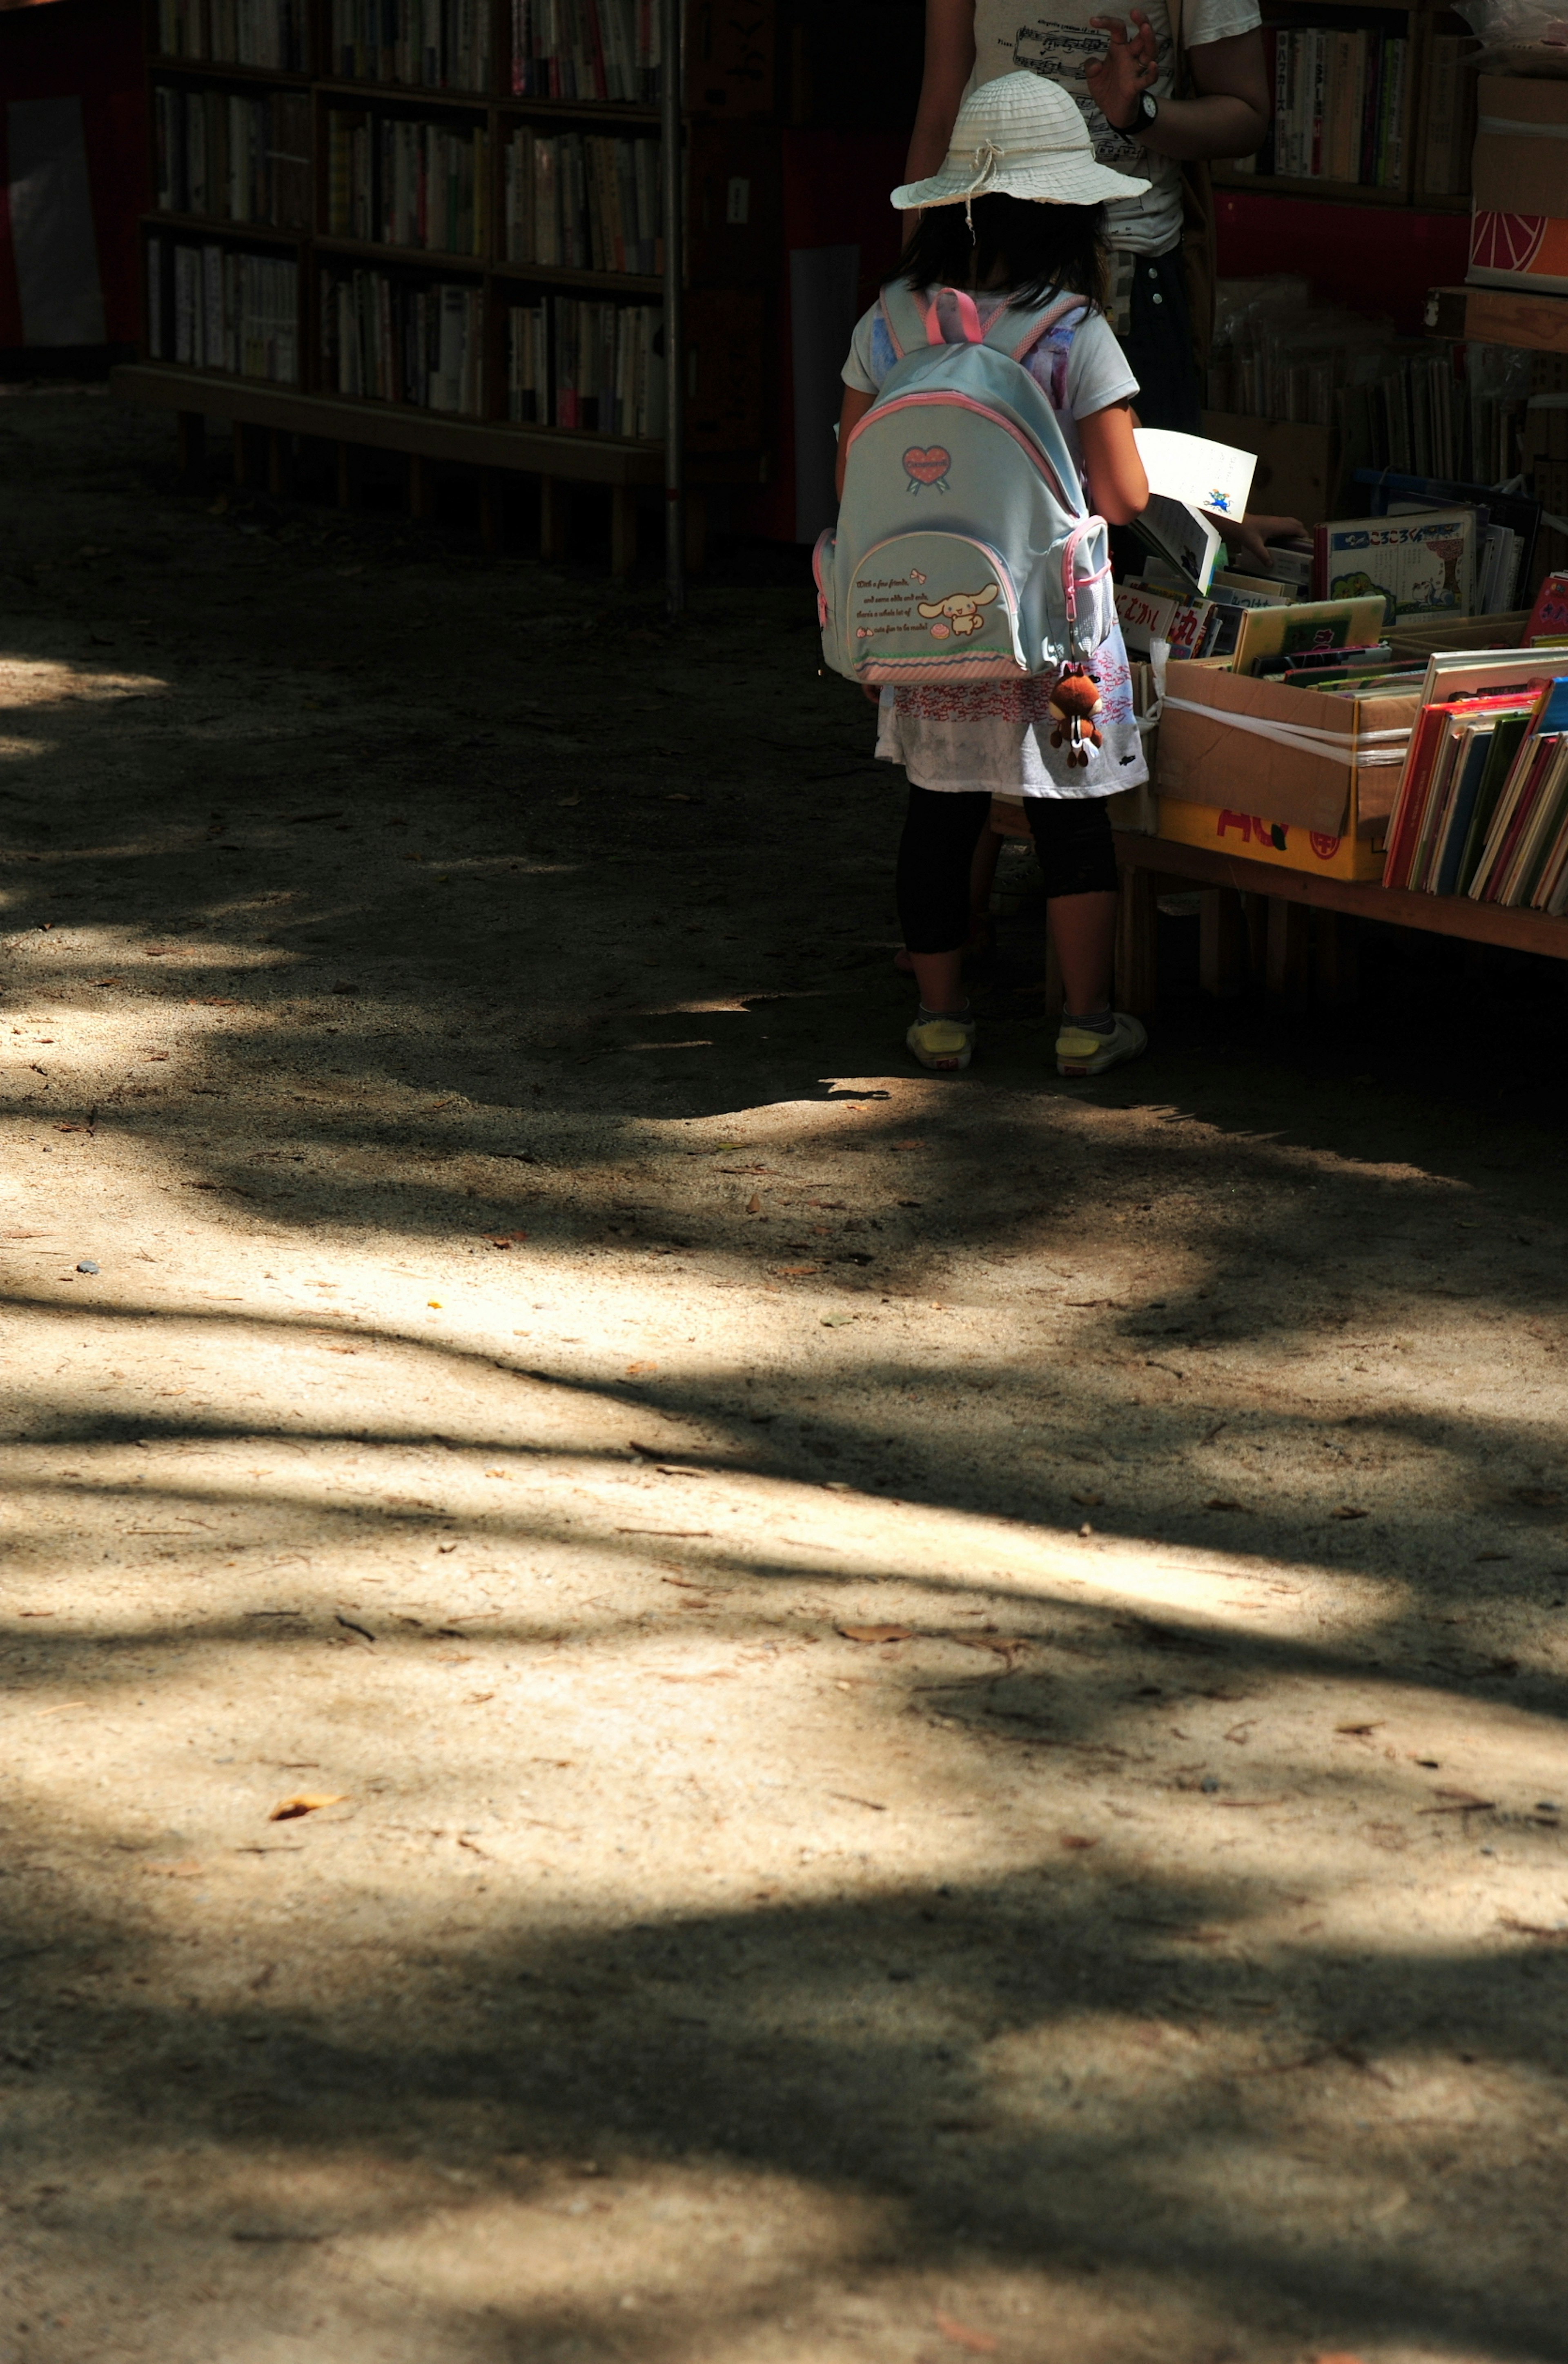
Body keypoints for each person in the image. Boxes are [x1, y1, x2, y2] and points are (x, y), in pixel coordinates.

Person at [837, 71, 1153, 1079]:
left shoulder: (886, 324)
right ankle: (1084, 1025)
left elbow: (856, 474)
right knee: (1070, 817)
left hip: (924, 617)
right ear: (1067, 208)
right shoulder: (1072, 333)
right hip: (1051, 630)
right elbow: (1122, 498)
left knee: (939, 811)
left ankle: (938, 1020)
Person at [907, 0, 1270, 436]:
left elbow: (1247, 116)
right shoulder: (890, 329)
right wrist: (916, 281)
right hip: (982, 266)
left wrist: (1140, 115)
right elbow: (940, 111)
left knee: (1153, 494)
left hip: (1124, 277)